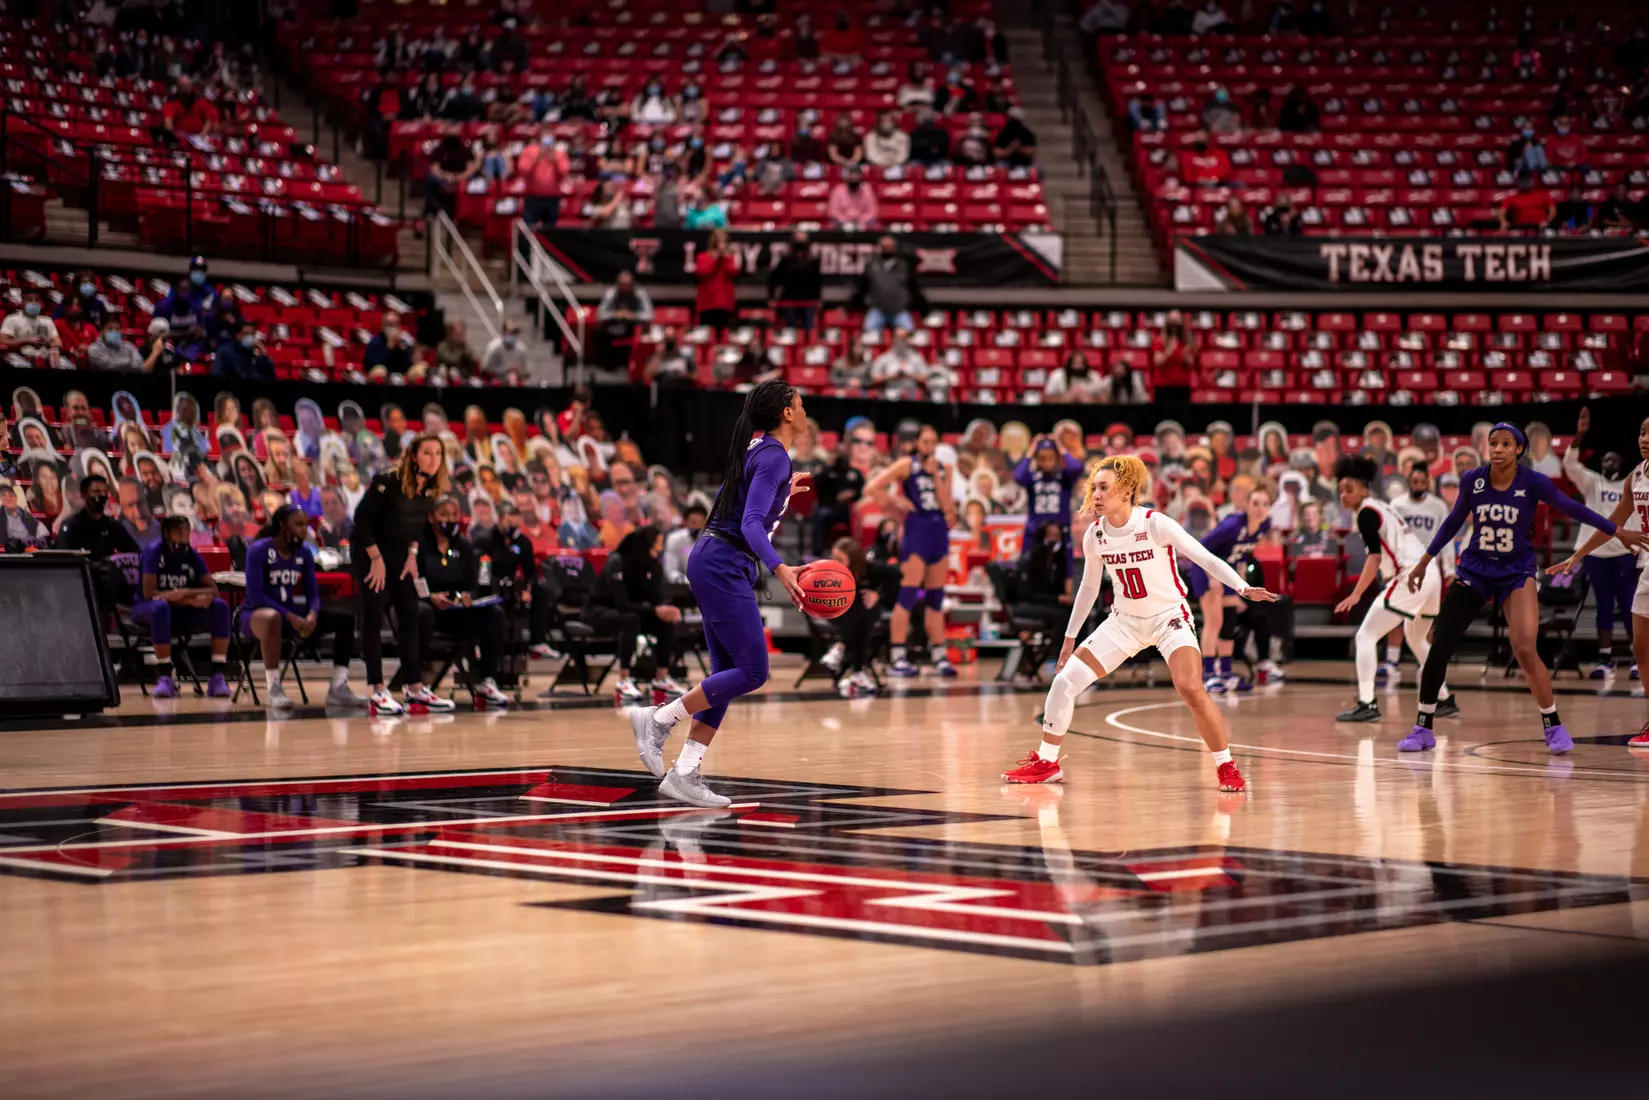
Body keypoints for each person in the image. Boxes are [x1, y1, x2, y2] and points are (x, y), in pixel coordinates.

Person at [1002, 456, 1278, 791]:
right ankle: (1047, 762)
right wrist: (1069, 638)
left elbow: (1203, 556)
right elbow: (1088, 588)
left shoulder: (1155, 523)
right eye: (1094, 488)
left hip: (1169, 618)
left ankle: (1226, 766)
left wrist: (1242, 586)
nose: (1097, 494)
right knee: (1063, 682)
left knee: (1191, 687)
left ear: (1128, 490)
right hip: (1124, 623)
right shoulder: (1095, 535)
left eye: (1104, 487)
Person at [1399, 424, 1646, 755]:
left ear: (1519, 450)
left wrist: (1616, 530)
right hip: (1475, 569)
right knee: (1441, 641)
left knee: (1526, 648)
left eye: (1505, 444)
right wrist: (1424, 561)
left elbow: (1574, 509)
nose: (1497, 449)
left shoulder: (1532, 481)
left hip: (1516, 573)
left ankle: (1553, 725)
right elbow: (1454, 521)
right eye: (1493, 443)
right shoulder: (1473, 479)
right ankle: (1423, 727)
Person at [627, 379, 810, 808]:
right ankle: (658, 719)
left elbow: (748, 503)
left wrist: (783, 491)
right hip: (724, 562)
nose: (804, 410)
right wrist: (781, 569)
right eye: (800, 404)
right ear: (786, 413)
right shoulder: (773, 457)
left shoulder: (762, 447)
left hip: (717, 559)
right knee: (753, 671)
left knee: (724, 678)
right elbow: (749, 524)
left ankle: (686, 772)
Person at [1331, 457, 1459, 724]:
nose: (1343, 495)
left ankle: (1367, 702)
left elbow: (1374, 558)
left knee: (1365, 636)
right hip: (1429, 573)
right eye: (1340, 490)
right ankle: (1444, 698)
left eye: (1349, 489)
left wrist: (1356, 594)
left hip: (1411, 575)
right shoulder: (1381, 506)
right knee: (1417, 640)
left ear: (1363, 490)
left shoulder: (1367, 513)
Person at [1549, 414, 1649, 744]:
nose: (1645, 439)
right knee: (1641, 646)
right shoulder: (1635, 476)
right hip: (1646, 565)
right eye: (1642, 432)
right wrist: (1577, 555)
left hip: (1632, 561)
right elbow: (1612, 522)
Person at [352, 433, 452, 717]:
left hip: (398, 555)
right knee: (373, 616)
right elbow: (361, 520)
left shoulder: (431, 489)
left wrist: (412, 554)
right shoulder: (387, 481)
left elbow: (417, 525)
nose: (434, 459)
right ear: (413, 456)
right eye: (428, 453)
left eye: (438, 454)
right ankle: (378, 690)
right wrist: (375, 559)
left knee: (410, 614)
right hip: (368, 551)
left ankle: (415, 688)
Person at [243, 505, 367, 713]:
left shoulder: (304, 554)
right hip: (255, 615)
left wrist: (312, 614)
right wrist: (290, 616)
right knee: (272, 617)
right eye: (299, 525)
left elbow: (313, 593)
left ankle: (338, 686)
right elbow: (256, 596)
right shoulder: (259, 550)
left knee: (344, 619)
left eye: (306, 525)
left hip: (290, 615)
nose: (304, 530)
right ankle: (274, 689)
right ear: (283, 525)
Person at [862, 424, 956, 677]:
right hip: (917, 531)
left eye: (933, 442)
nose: (930, 447)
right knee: (908, 595)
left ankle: (939, 655)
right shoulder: (906, 465)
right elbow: (872, 488)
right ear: (916, 443)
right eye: (925, 442)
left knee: (936, 598)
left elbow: (950, 512)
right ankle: (897, 655)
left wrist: (938, 478)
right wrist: (896, 503)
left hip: (939, 532)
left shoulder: (945, 469)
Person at [1563, 408, 1638, 678]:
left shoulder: (1631, 484)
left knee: (1630, 605)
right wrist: (1579, 435)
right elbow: (1570, 466)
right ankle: (1604, 660)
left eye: (1613, 460)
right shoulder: (1592, 483)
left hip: (1624, 553)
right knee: (1604, 606)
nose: (1608, 463)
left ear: (1621, 463)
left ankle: (1636, 659)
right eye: (1605, 460)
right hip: (1597, 554)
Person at [417, 497, 512, 707]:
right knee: (421, 612)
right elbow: (415, 579)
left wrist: (466, 595)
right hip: (431, 610)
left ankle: (486, 682)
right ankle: (417, 684)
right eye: (444, 514)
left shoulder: (463, 545)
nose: (449, 520)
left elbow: (473, 583)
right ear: (431, 517)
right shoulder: (421, 545)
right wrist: (431, 597)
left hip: (457, 610)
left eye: (453, 515)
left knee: (494, 614)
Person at [1187, 482, 1279, 692]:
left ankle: (1226, 673)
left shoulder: (1264, 525)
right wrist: (1212, 578)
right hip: (1206, 570)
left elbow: (1243, 555)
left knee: (1229, 621)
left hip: (1227, 573)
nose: (1260, 508)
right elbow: (1200, 549)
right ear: (1246, 505)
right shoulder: (1232, 526)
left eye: (1265, 504)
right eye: (1255, 503)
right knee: (1214, 621)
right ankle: (1208, 675)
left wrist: (1241, 585)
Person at [134, 515, 232, 699]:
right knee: (160, 607)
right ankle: (165, 677)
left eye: (187, 534)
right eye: (179, 534)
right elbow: (150, 594)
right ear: (167, 534)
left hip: (180, 609)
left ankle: (217, 676)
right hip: (147, 608)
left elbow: (213, 590)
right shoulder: (153, 553)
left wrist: (185, 593)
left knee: (220, 606)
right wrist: (187, 600)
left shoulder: (192, 555)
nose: (184, 538)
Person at [585, 524, 686, 703]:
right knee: (630, 620)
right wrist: (655, 610)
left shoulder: (653, 565)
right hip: (600, 611)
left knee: (665, 622)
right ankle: (624, 680)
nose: (660, 550)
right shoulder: (618, 562)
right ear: (646, 545)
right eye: (657, 545)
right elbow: (621, 604)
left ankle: (661, 678)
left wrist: (665, 610)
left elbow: (654, 600)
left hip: (633, 612)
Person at [820, 538, 881, 698]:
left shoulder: (869, 569)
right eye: (834, 557)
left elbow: (897, 575)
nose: (835, 562)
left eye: (840, 559)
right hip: (834, 612)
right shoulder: (827, 571)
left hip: (857, 618)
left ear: (853, 559)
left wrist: (878, 594)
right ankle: (858, 670)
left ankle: (841, 648)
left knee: (863, 608)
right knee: (859, 609)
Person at [1015, 437, 1083, 554]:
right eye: (1042, 459)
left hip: (1060, 532)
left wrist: (1060, 448)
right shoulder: (1032, 478)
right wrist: (1031, 451)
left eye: (1051, 458)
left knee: (1064, 570)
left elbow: (1077, 468)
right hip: (1035, 532)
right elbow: (1019, 476)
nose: (1046, 462)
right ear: (1037, 459)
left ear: (1057, 459)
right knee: (1029, 568)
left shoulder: (1064, 478)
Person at [855, 237, 926, 335]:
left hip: (899, 309)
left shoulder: (904, 266)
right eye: (884, 246)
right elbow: (862, 288)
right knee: (868, 337)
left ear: (894, 248)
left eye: (889, 246)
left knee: (910, 335)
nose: (887, 249)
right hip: (877, 309)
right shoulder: (871, 266)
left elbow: (914, 288)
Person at [767, 231, 822, 332]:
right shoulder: (785, 261)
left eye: (803, 240)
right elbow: (773, 278)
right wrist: (771, 297)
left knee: (809, 330)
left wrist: (818, 298)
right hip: (789, 300)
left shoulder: (812, 261)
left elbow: (817, 281)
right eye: (798, 240)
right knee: (790, 330)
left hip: (808, 301)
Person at [694, 228, 739, 334]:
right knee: (706, 335)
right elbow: (702, 272)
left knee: (724, 334)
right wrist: (715, 259)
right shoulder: (703, 257)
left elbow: (733, 271)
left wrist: (725, 258)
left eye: (724, 242)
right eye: (719, 242)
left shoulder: (730, 258)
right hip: (707, 304)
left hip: (725, 304)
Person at [1, 289, 63, 365]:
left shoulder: (47, 320)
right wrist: (27, 340)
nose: (34, 303)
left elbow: (59, 343)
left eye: (37, 300)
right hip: (22, 358)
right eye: (29, 300)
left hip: (45, 359)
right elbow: (2, 340)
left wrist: (47, 343)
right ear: (22, 303)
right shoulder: (12, 319)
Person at [663, 500, 708, 582]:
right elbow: (670, 569)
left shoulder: (710, 541)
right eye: (694, 522)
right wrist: (684, 581)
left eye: (701, 522)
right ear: (686, 522)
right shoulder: (674, 539)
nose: (697, 526)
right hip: (682, 585)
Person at [827, 165, 879, 229]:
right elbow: (834, 211)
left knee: (874, 224)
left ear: (861, 177)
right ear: (847, 177)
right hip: (842, 221)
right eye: (852, 174)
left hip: (863, 222)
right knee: (833, 223)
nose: (854, 177)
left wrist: (861, 220)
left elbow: (872, 211)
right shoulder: (838, 191)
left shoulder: (867, 191)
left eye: (857, 175)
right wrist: (846, 220)